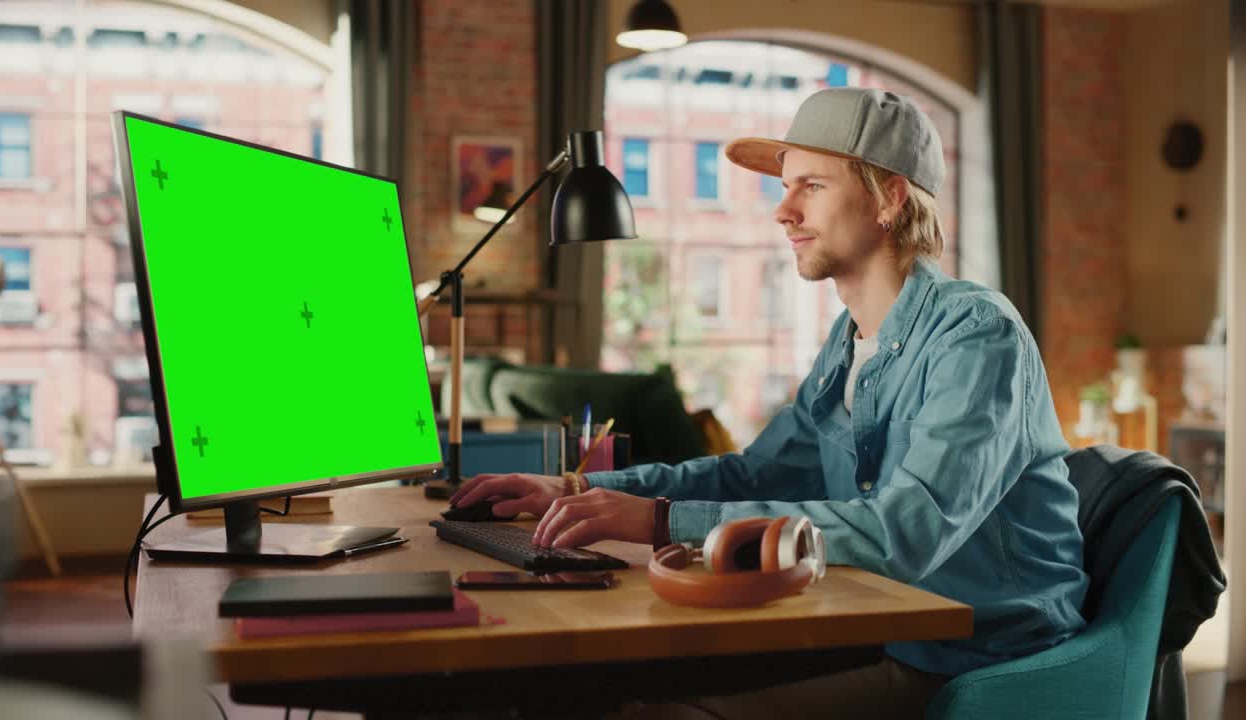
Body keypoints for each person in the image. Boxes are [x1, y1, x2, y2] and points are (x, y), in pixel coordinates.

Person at [449, 87, 1088, 718]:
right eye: (785, 187)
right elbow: (754, 473)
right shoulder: (849, 342)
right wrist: (576, 487)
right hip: (879, 628)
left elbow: (904, 532)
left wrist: (657, 521)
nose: (782, 212)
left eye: (810, 186)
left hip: (979, 658)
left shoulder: (975, 335)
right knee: (585, 683)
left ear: (889, 197)